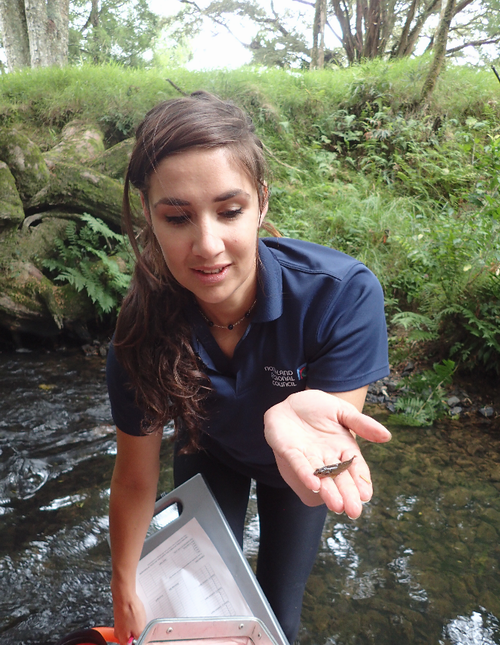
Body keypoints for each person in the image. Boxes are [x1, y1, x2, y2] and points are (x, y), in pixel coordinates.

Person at [106, 90, 391, 645]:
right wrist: (124, 582)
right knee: (196, 615)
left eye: (229, 210)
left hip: (294, 471)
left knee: (276, 618)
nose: (207, 245)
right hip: (208, 451)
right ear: (149, 216)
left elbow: (320, 476)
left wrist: (313, 440)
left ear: (261, 202)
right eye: (178, 217)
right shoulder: (139, 331)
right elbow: (136, 478)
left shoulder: (341, 296)